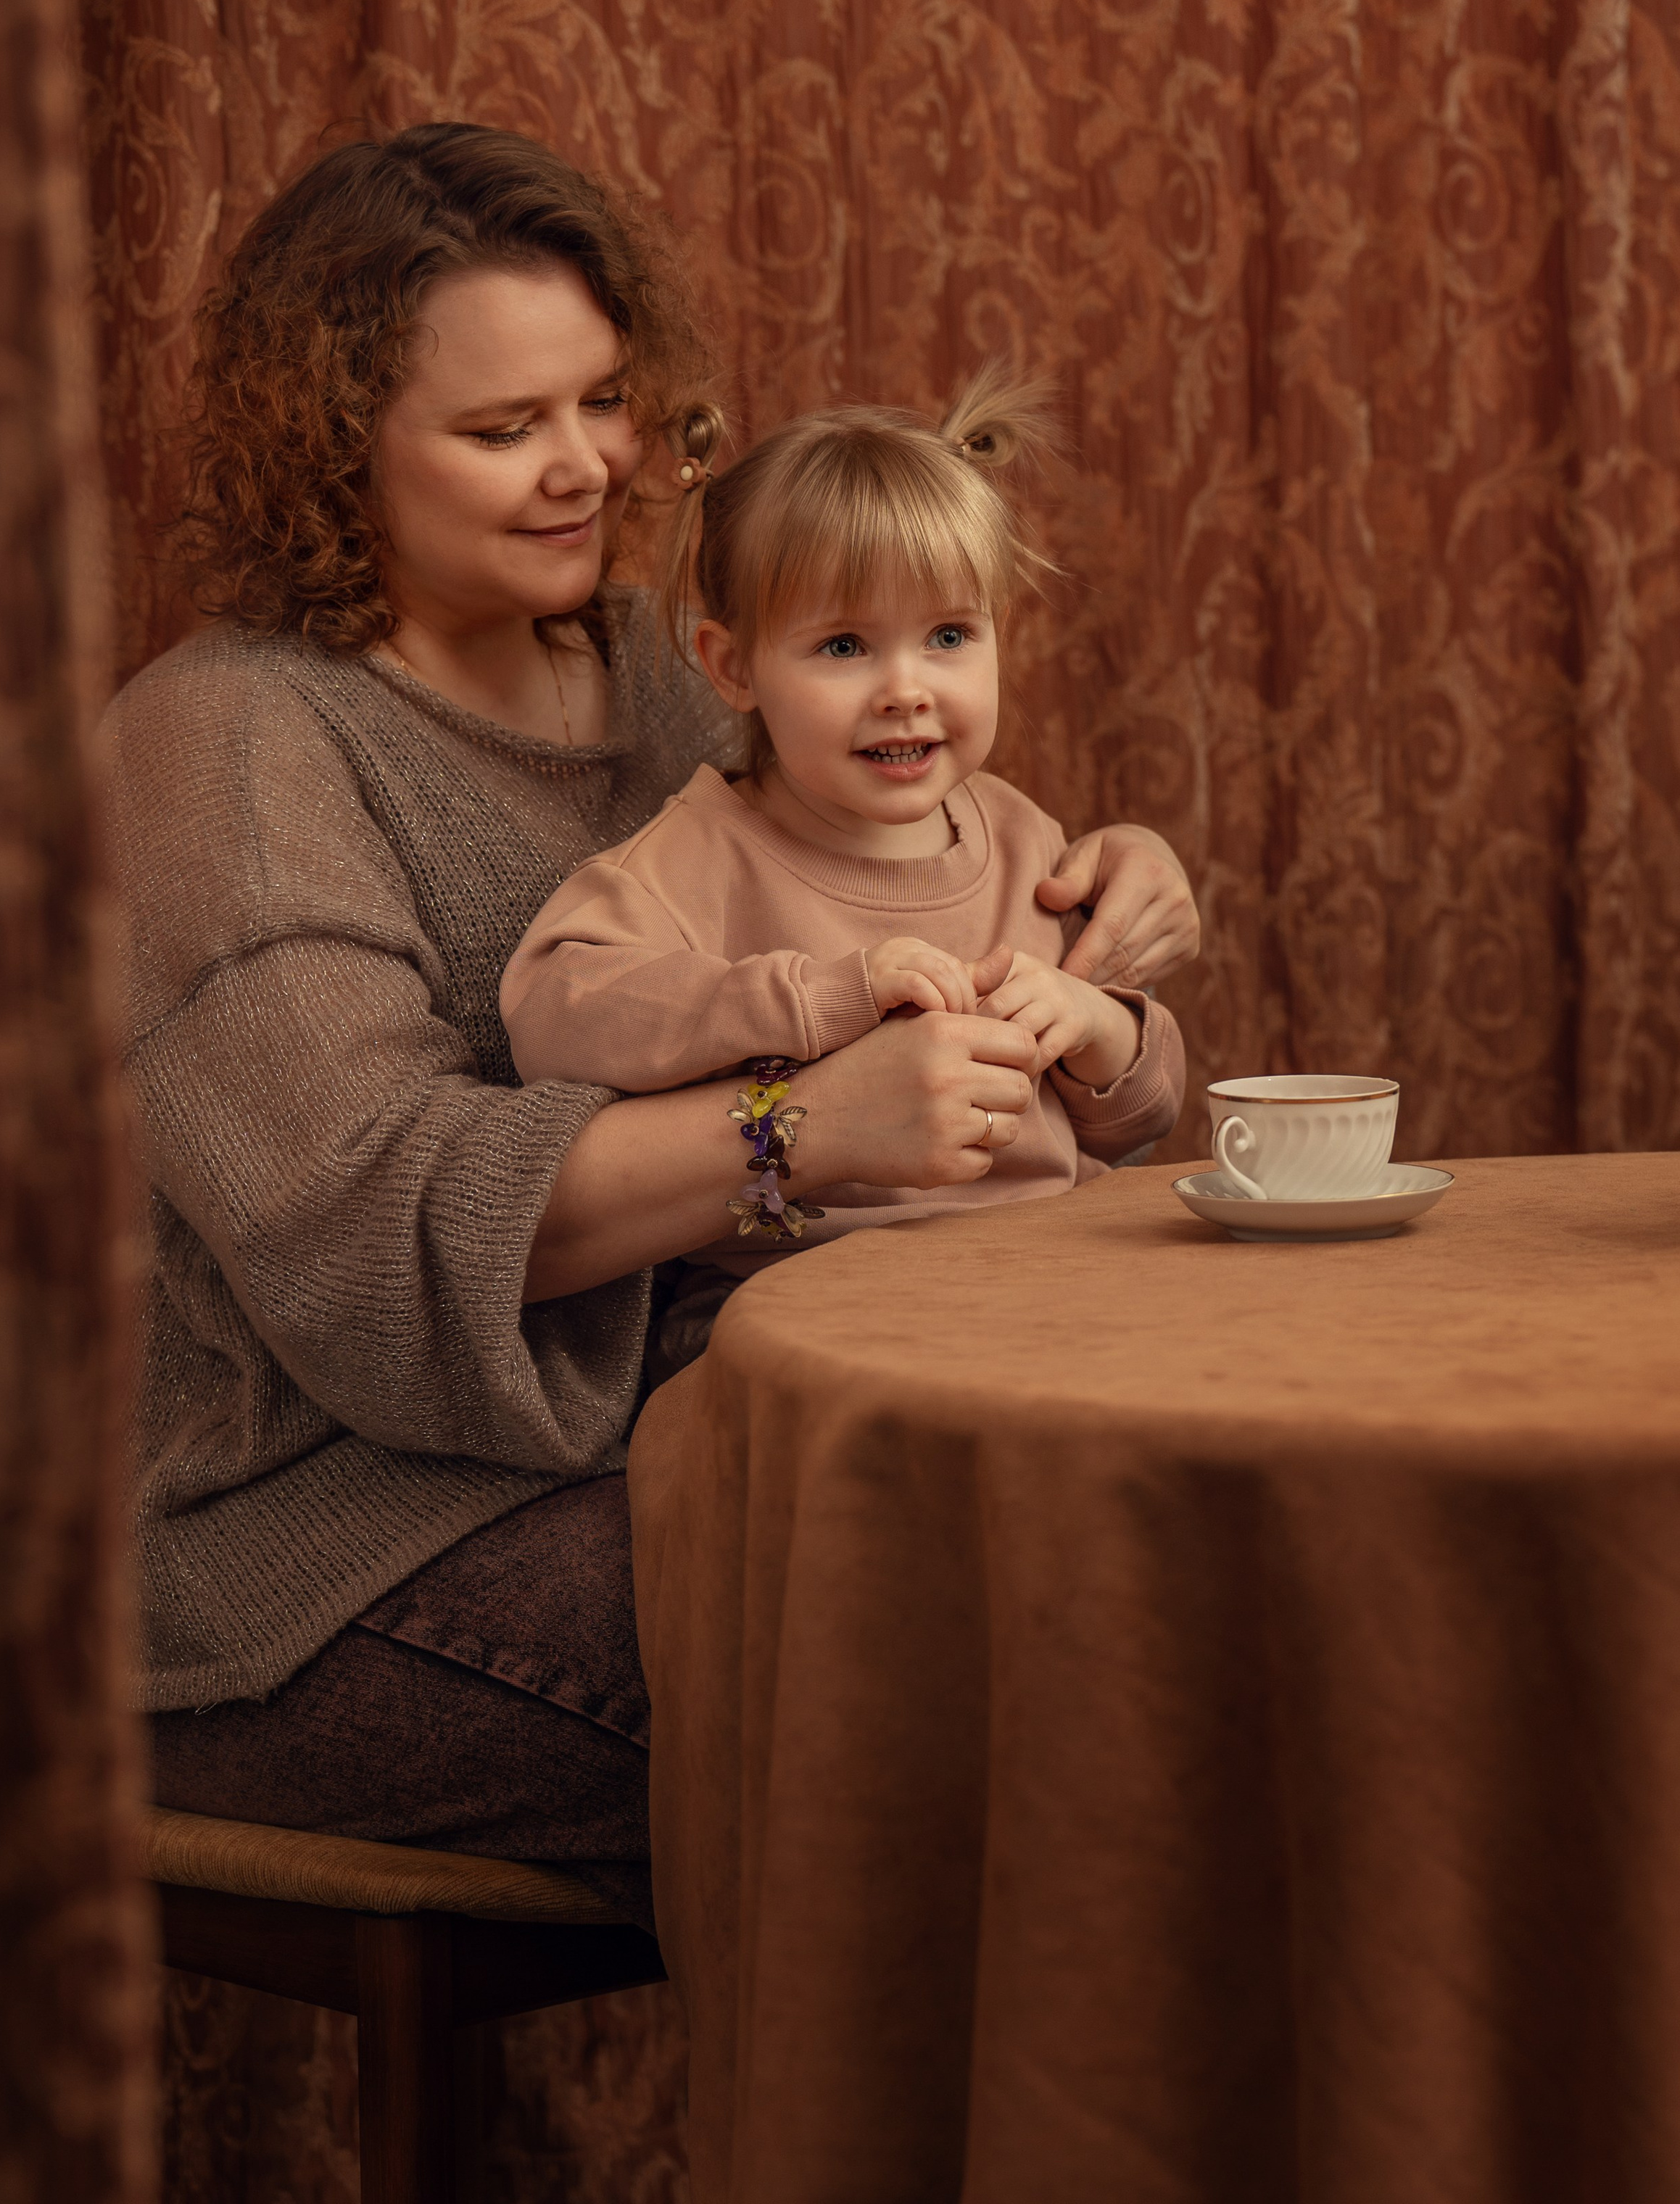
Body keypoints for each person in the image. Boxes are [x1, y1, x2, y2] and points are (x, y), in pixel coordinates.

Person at [102, 122, 1200, 1908]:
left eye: (603, 402)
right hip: (307, 1550)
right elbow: (364, 1228)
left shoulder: (653, 671)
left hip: (681, 1429)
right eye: (498, 428)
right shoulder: (223, 746)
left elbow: (862, 875)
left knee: (1115, 1570)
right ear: (331, 452)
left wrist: (1090, 899)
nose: (584, 471)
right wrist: (798, 1133)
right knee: (994, 1671)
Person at [501, 375, 1185, 1378]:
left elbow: (1141, 1117)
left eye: (950, 636)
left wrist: (1094, 1024)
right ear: (732, 668)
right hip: (791, 1316)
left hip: (1043, 1289)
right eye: (844, 646)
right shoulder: (700, 853)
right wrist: (814, 999)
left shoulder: (1019, 837)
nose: (906, 690)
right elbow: (552, 1013)